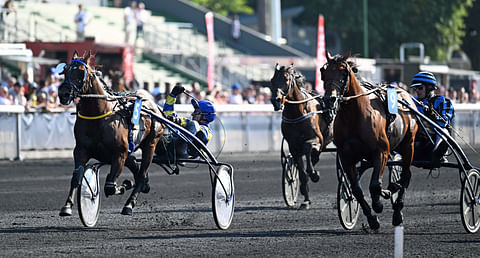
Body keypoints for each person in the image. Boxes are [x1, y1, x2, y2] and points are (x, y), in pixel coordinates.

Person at [155, 84, 216, 170]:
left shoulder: (207, 131)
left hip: (184, 152)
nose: (192, 114)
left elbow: (198, 129)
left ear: (205, 116)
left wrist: (178, 121)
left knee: (194, 125)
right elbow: (168, 113)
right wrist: (173, 95)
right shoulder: (189, 122)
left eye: (196, 112)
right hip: (168, 147)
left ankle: (190, 148)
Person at [410, 71, 455, 167]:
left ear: (430, 87)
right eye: (415, 88)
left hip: (433, 142)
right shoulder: (413, 102)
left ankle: (437, 154)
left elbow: (444, 122)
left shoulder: (444, 101)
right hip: (417, 141)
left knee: (444, 131)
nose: (417, 91)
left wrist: (430, 113)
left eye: (420, 88)